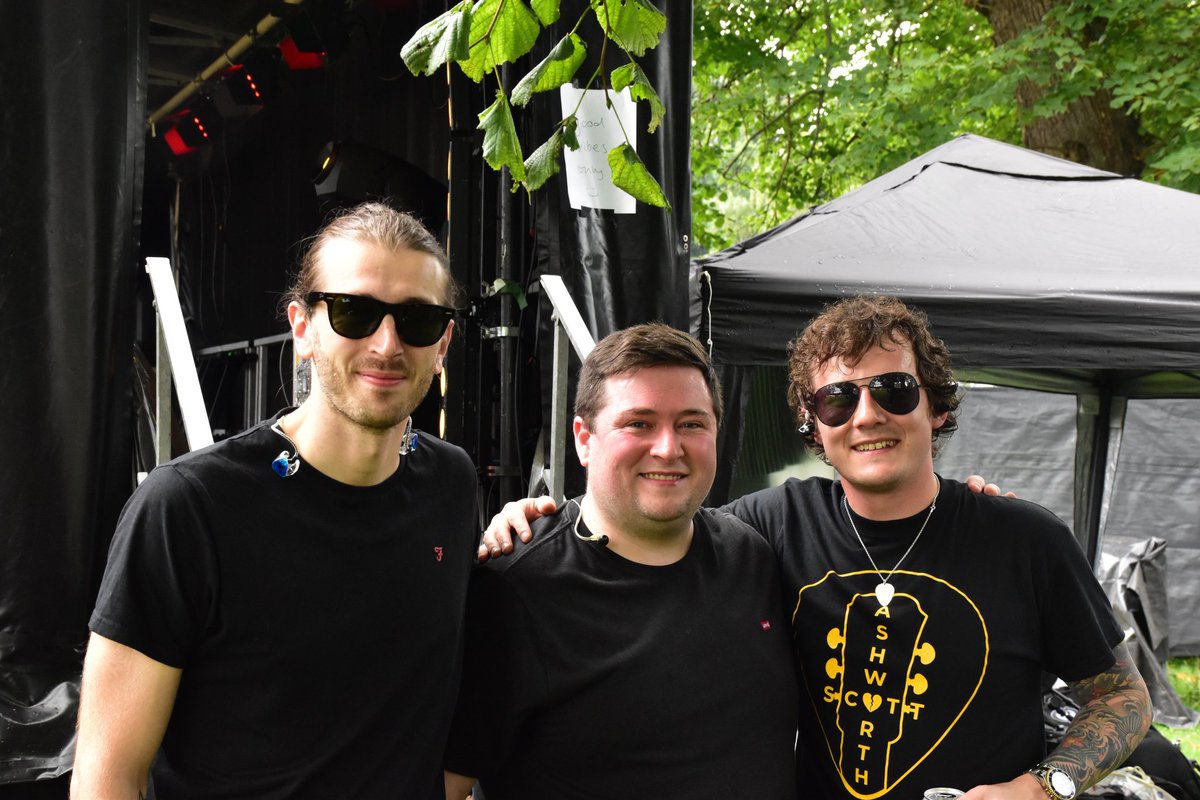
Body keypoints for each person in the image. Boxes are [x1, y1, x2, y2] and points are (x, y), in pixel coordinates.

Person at [482, 295, 1151, 800]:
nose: (866, 415)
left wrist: (1042, 788)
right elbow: (655, 512)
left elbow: (1123, 696)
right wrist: (543, 519)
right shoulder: (762, 530)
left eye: (894, 389)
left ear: (937, 406)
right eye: (837, 399)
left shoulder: (1025, 539)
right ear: (813, 424)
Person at [71, 202, 478, 800]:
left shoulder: (452, 481)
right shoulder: (189, 507)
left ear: (442, 342)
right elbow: (107, 776)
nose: (387, 343)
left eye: (417, 320)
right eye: (354, 312)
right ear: (303, 328)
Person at [443, 323, 800, 800]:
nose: (668, 448)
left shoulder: (751, 553)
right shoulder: (515, 587)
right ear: (583, 440)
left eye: (692, 423)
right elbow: (445, 782)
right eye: (639, 423)